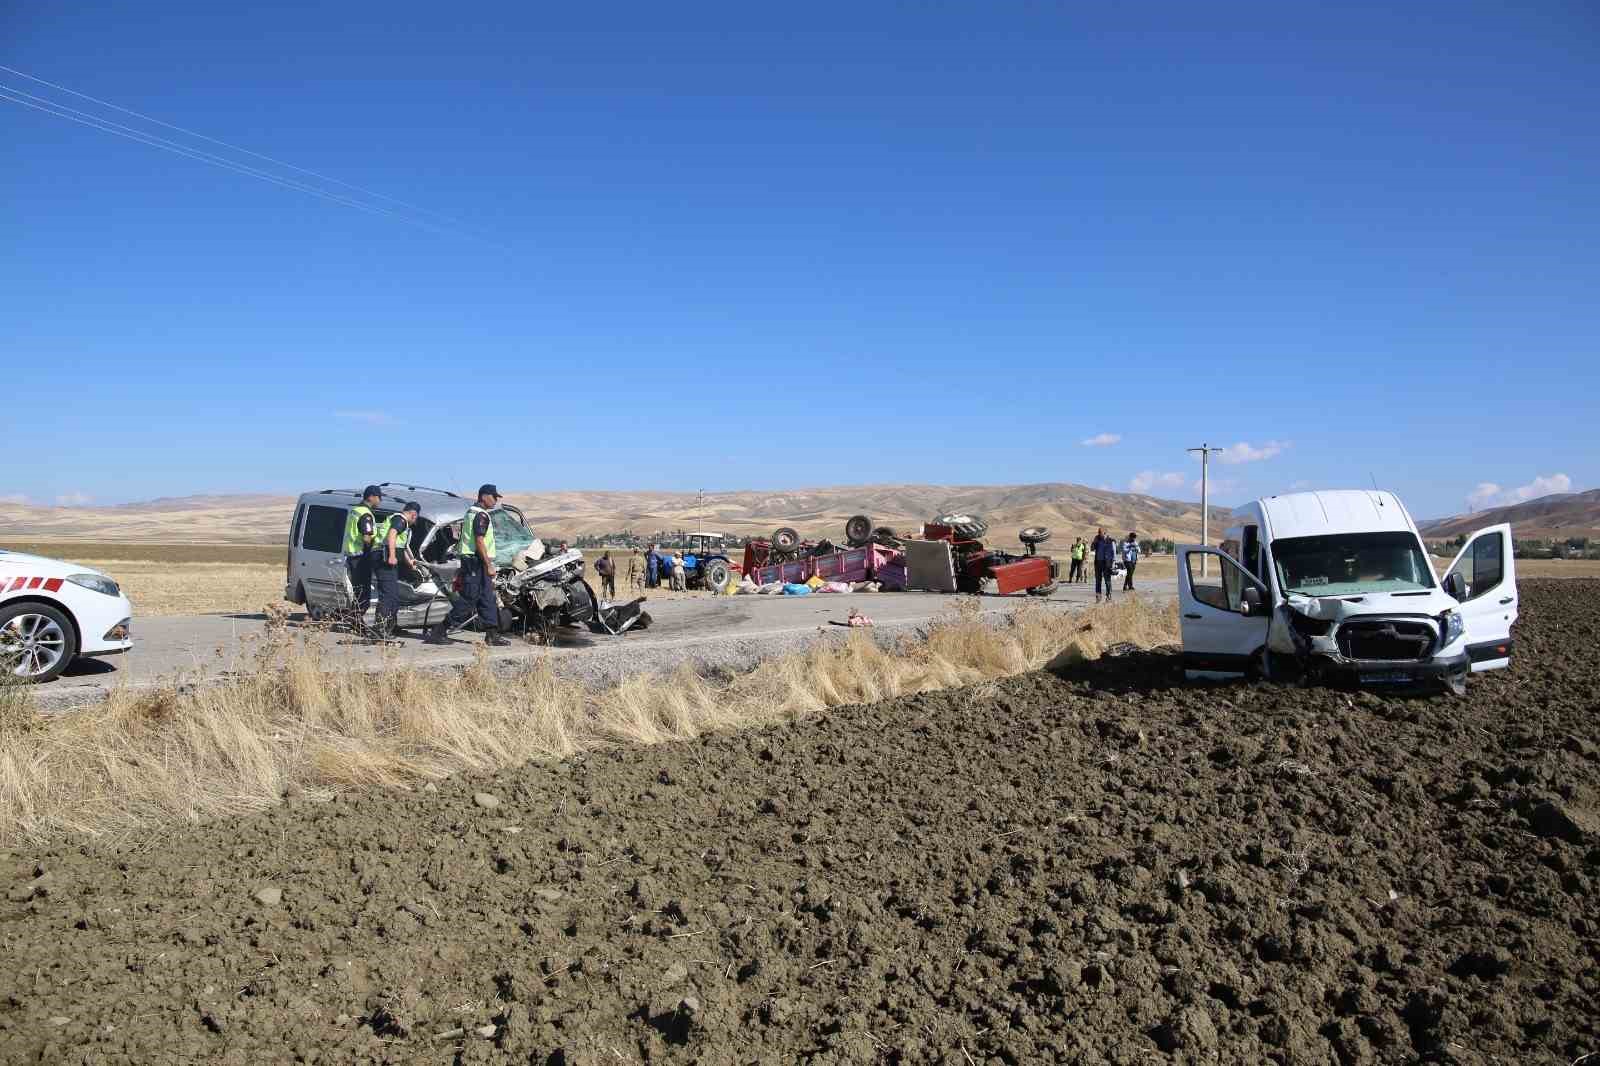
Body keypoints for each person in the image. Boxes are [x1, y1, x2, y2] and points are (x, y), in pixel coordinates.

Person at [425, 484, 512, 646]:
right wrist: (488, 564)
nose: (495, 500)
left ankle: (492, 635)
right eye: (493, 497)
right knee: (468, 599)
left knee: (487, 598)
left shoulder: (473, 513)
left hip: (476, 562)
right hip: (475, 562)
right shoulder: (480, 515)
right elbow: (479, 541)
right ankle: (439, 631)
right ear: (484, 496)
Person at [373, 501, 421, 637]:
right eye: (416, 517)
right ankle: (379, 629)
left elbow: (401, 546)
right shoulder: (401, 520)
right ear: (413, 514)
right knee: (388, 595)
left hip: (388, 559)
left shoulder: (401, 522)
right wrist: (392, 556)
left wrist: (409, 562)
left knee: (394, 595)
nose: (415, 520)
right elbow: (392, 534)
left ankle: (391, 626)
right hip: (384, 558)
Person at [343, 485, 382, 615]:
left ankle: (355, 622)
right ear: (371, 497)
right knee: (364, 595)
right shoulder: (366, 514)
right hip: (361, 558)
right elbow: (367, 537)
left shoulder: (354, 510)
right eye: (379, 498)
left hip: (352, 556)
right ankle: (356, 622)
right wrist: (375, 548)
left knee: (358, 593)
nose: (380, 501)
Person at [1092, 527, 1116, 602]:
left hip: (1107, 563)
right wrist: (1094, 541)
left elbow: (1114, 553)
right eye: (1098, 533)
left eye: (1100, 533)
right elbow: (1092, 548)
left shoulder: (1111, 541)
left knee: (1107, 580)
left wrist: (1113, 563)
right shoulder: (1097, 540)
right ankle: (1098, 597)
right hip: (1098, 563)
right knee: (1098, 581)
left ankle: (1108, 596)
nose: (1098, 534)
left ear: (1105, 533)